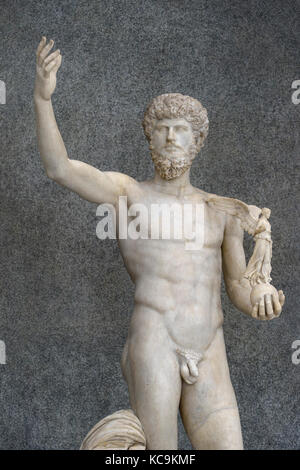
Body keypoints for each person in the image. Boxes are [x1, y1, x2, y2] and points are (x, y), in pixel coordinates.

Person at [34, 37, 285, 450]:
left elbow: (238, 286)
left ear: (197, 141)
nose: (171, 137)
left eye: (181, 130)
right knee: (159, 454)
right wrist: (43, 99)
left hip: (210, 343)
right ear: (149, 138)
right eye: (162, 129)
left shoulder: (221, 210)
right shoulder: (127, 194)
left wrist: (260, 298)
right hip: (155, 338)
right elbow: (59, 168)